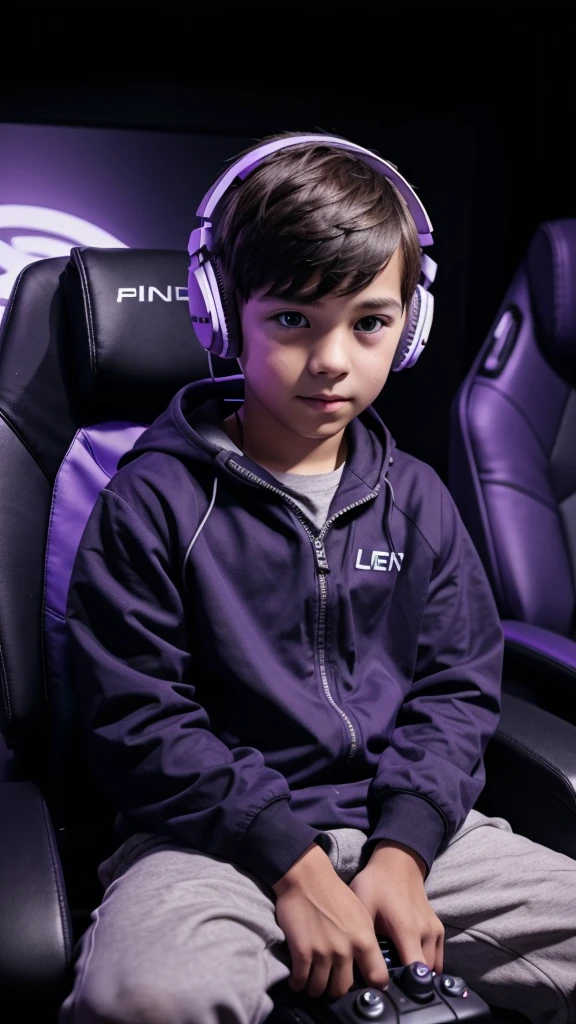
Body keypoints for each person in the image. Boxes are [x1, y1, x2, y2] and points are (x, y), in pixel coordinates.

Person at [59, 133, 576, 1024]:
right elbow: (137, 721)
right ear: (223, 314)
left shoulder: (417, 498)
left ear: (408, 326)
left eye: (369, 321)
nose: (333, 358)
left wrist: (403, 852)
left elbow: (456, 691)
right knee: (146, 999)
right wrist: (292, 863)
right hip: (208, 839)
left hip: (412, 835)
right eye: (294, 319)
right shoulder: (150, 500)